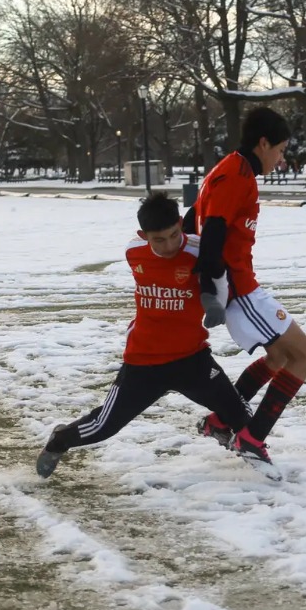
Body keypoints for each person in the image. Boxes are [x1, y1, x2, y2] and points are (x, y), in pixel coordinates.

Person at [36, 192, 266, 479]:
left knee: (243, 417)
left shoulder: (199, 251)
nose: (169, 245)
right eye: (159, 240)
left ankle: (261, 470)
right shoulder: (134, 252)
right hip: (143, 361)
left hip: (192, 359)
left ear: (181, 224)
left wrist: (215, 303)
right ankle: (60, 440)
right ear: (143, 235)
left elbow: (221, 282)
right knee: (103, 427)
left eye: (173, 235)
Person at [183, 106, 306, 461]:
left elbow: (191, 220)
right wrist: (210, 292)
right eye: (280, 150)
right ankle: (252, 438)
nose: (282, 158)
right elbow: (210, 233)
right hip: (241, 291)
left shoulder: (229, 169)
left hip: (241, 287)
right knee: (305, 356)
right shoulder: (235, 176)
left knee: (278, 357)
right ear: (262, 143)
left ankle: (221, 422)